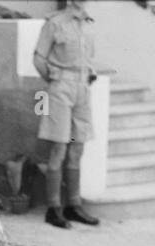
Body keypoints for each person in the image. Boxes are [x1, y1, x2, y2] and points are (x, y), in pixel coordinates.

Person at [32, 0, 101, 231]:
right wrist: (54, 82)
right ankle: (54, 208)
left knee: (77, 146)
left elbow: (88, 58)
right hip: (60, 88)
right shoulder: (55, 23)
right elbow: (39, 58)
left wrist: (89, 74)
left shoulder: (89, 23)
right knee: (59, 147)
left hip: (82, 88)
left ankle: (73, 205)